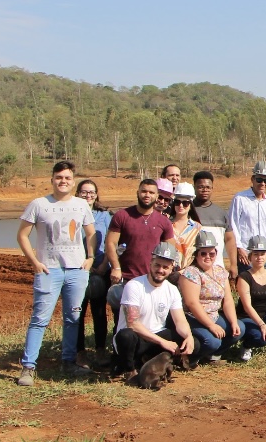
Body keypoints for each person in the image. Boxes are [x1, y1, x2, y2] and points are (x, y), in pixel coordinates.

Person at [16, 161, 97, 386]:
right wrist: (34, 262)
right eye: (59, 177)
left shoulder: (81, 206)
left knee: (73, 318)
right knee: (39, 319)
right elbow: (22, 235)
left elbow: (91, 234)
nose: (63, 181)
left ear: (73, 181)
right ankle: (28, 367)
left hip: (76, 271)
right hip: (48, 270)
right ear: (52, 179)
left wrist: (90, 258)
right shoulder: (39, 205)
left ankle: (68, 362)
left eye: (68, 178)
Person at [113, 243, 195, 375]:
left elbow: (180, 321)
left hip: (157, 335)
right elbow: (133, 324)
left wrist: (189, 336)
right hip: (137, 339)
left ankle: (152, 362)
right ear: (150, 263)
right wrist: (163, 342)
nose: (160, 270)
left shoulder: (172, 290)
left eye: (165, 267)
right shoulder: (134, 286)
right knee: (126, 336)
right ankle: (129, 369)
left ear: (171, 269)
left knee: (193, 343)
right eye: (157, 265)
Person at [106, 178, 177, 316]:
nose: (147, 195)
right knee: (123, 319)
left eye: (151, 192)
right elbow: (110, 243)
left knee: (148, 316)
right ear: (137, 192)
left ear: (156, 196)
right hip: (126, 277)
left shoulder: (164, 222)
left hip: (151, 278)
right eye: (144, 191)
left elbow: (170, 249)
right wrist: (116, 267)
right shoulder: (122, 216)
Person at [178, 230, 241, 364]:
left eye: (211, 253)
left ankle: (212, 356)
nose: (208, 256)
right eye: (203, 253)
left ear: (216, 253)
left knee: (239, 329)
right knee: (212, 341)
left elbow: (228, 300)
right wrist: (211, 326)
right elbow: (192, 303)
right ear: (196, 254)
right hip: (193, 317)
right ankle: (190, 357)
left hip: (214, 314)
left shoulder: (220, 271)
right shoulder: (190, 273)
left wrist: (234, 322)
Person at [75, 179, 113, 362]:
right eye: (84, 192)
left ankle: (100, 350)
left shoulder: (104, 216)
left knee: (99, 312)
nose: (88, 195)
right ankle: (79, 352)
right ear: (77, 194)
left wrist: (104, 265)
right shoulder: (71, 213)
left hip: (100, 269)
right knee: (77, 313)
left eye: (92, 192)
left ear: (96, 195)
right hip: (77, 270)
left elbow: (112, 242)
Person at [228, 161, 266, 276]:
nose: (263, 183)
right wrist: (239, 248)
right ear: (252, 179)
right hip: (246, 256)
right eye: (259, 180)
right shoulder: (240, 198)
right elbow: (232, 225)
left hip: (264, 257)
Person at [192, 171, 229, 267]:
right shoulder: (187, 210)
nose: (205, 190)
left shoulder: (221, 213)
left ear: (212, 188)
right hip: (192, 267)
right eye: (201, 187)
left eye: (208, 187)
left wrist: (233, 264)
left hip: (217, 266)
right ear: (194, 188)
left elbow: (229, 239)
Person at [169, 181, 202, 270]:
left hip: (189, 273)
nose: (181, 205)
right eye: (177, 202)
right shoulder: (166, 224)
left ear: (191, 205)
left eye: (185, 203)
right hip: (167, 272)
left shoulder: (197, 228)